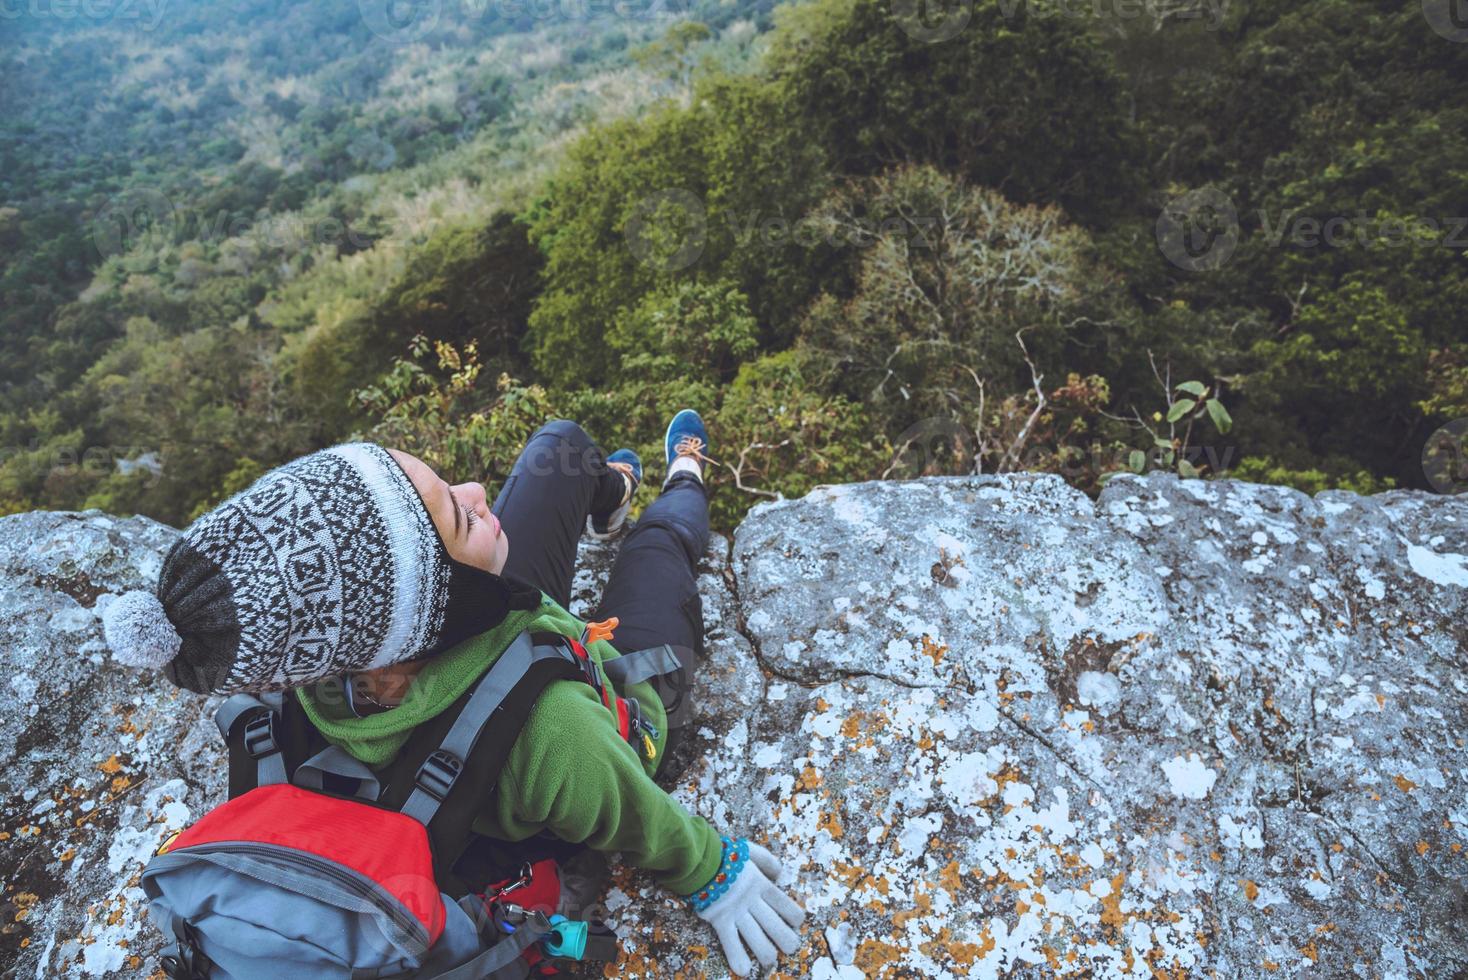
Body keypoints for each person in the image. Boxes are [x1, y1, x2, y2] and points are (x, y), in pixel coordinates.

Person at [102, 409, 804, 977]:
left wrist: (464, 536)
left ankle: (611, 493)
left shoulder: (316, 656)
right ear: (446, 599)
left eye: (446, 489)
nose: (477, 492)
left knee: (561, 445)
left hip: (473, 652)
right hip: (593, 706)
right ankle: (683, 481)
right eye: (459, 516)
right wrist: (713, 872)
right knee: (660, 552)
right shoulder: (559, 734)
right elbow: (631, 813)